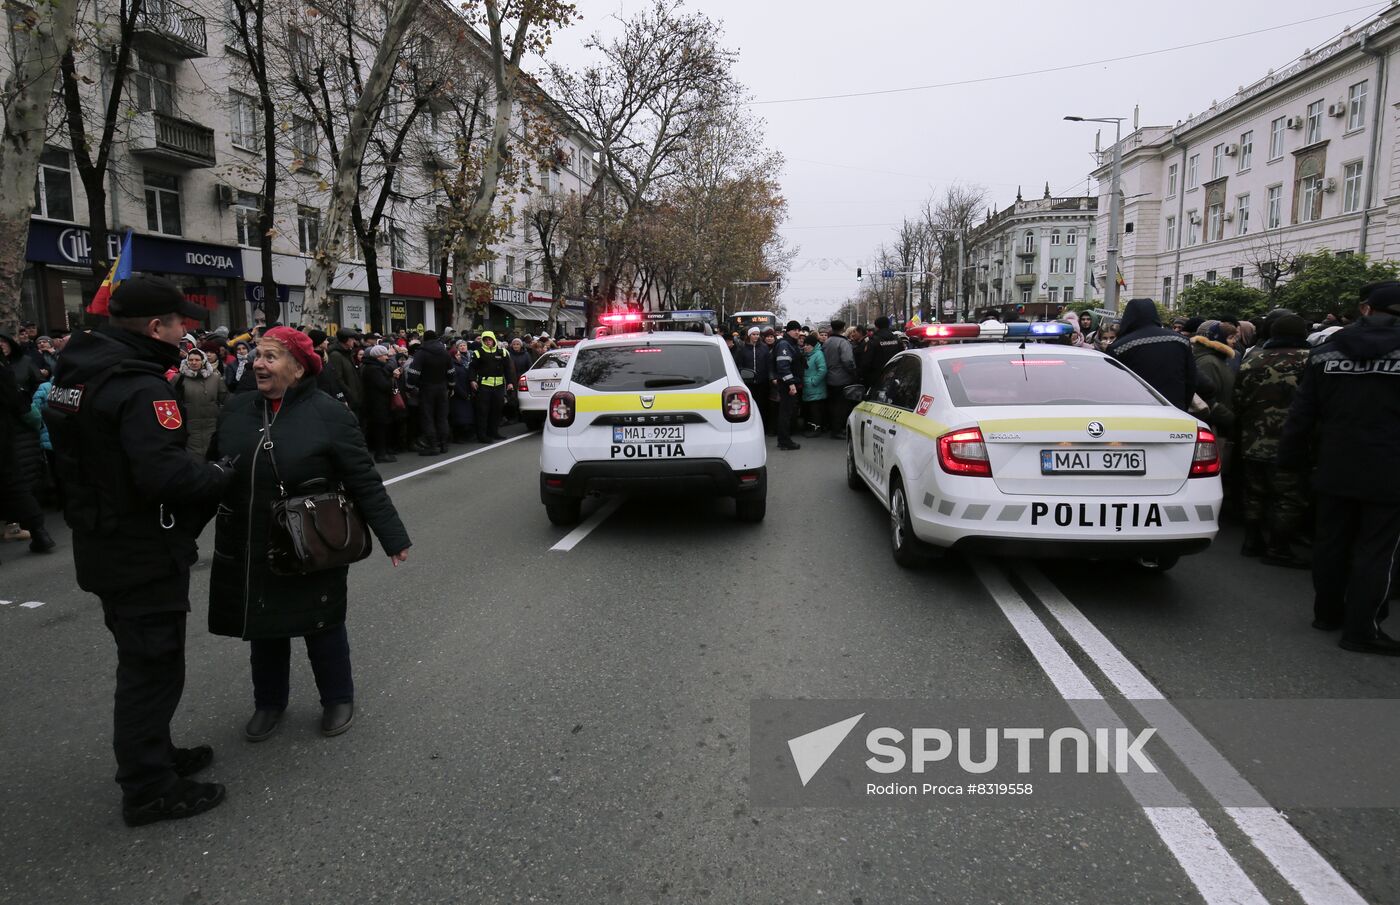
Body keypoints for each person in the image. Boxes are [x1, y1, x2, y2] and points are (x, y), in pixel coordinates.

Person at [43, 275, 235, 826]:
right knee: (152, 666)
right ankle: (149, 788)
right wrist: (220, 473)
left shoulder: (79, 370)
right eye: (178, 324)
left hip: (102, 537)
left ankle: (157, 752)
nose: (183, 333)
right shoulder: (140, 386)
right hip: (140, 546)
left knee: (145, 658)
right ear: (156, 327)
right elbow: (166, 475)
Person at [206, 327, 411, 740]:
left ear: (298, 368)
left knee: (322, 623)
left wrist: (392, 536)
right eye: (257, 356)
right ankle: (269, 703)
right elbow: (211, 473)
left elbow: (363, 478)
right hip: (251, 539)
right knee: (264, 628)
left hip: (313, 539)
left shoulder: (328, 412)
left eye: (270, 357)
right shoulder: (237, 408)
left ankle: (337, 697)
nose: (258, 364)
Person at [1279, 282, 1400, 654]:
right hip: (1389, 469)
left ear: (1366, 310)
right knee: (1376, 551)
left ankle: (1327, 613)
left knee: (1331, 542)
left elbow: (1301, 414)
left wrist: (1290, 462)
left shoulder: (1325, 352)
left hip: (1333, 463)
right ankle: (1362, 628)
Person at [1234, 314, 1311, 568]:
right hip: (1292, 442)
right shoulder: (1308, 360)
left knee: (1254, 493)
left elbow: (1237, 399)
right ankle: (1279, 547)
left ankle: (1252, 540)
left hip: (1253, 438)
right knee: (1288, 496)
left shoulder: (1253, 359)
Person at [0, 332, 56, 558]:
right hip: (7, 432)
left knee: (14, 484)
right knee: (14, 484)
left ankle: (37, 531)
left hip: (9, 432)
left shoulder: (16, 366)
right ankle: (39, 531)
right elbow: (18, 402)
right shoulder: (4, 371)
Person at [1105, 298, 1197, 411]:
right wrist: (1182, 406)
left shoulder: (1119, 347)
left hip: (1136, 412)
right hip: (1175, 411)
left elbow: (1112, 387)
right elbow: (1191, 379)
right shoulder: (1181, 341)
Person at [172, 348, 228, 460]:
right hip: (189, 426)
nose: (194, 362)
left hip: (211, 424)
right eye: (191, 359)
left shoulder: (215, 378)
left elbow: (225, 399)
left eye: (197, 360)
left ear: (203, 361)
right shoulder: (178, 379)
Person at [406, 329, 452, 455]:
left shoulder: (421, 353)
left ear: (424, 339)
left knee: (428, 418)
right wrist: (451, 387)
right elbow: (451, 371)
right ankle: (443, 444)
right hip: (442, 388)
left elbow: (414, 373)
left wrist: (409, 387)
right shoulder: (444, 352)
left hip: (427, 388)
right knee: (442, 417)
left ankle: (433, 445)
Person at [1191, 320, 1238, 435]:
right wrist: (1230, 418)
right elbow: (1208, 399)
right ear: (1218, 339)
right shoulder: (1209, 362)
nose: (1234, 342)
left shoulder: (1217, 359)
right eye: (1231, 337)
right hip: (1214, 427)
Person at [360, 344, 400, 463]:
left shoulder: (371, 367)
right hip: (377, 403)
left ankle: (383, 451)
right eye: (385, 355)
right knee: (380, 428)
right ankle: (381, 454)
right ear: (378, 357)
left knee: (381, 428)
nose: (387, 357)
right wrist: (393, 378)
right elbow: (384, 385)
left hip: (376, 402)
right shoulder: (373, 369)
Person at [471, 330, 512, 442]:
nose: (488, 342)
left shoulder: (502, 353)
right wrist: (472, 380)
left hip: (498, 386)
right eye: (486, 340)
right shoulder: (478, 353)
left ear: (494, 340)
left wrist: (510, 382)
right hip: (484, 386)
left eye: (490, 339)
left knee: (497, 410)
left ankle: (494, 432)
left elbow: (508, 369)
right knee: (483, 411)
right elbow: (472, 368)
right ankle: (482, 435)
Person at [823, 319, 857, 440]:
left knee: (832, 404)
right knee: (841, 406)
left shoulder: (827, 342)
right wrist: (853, 372)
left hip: (829, 377)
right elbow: (847, 360)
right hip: (842, 378)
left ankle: (832, 428)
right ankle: (837, 430)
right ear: (843, 328)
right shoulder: (843, 343)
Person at [772, 321, 804, 451]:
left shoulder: (790, 343)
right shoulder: (785, 344)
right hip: (787, 384)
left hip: (789, 383)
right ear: (788, 331)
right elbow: (783, 366)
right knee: (786, 414)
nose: (797, 332)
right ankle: (784, 441)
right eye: (794, 330)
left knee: (787, 413)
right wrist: (791, 384)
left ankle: (784, 440)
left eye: (798, 330)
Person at [327, 330, 363, 421]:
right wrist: (349, 394)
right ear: (346, 341)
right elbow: (337, 378)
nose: (354, 341)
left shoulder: (347, 353)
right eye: (352, 339)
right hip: (348, 400)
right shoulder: (336, 355)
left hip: (355, 398)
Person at [860, 316, 900, 387]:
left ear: (876, 326)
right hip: (894, 376)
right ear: (888, 325)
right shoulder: (897, 340)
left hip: (876, 379)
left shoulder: (873, 341)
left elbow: (866, 362)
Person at [801, 333, 828, 437]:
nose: (805, 347)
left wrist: (813, 381)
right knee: (810, 409)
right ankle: (811, 427)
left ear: (813, 345)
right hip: (808, 388)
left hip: (815, 388)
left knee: (815, 410)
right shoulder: (808, 355)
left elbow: (823, 370)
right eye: (805, 344)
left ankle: (816, 429)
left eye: (808, 345)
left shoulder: (818, 355)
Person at [449, 340, 476, 442]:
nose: (459, 356)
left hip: (465, 394)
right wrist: (464, 394)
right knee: (459, 418)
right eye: (457, 355)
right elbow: (455, 383)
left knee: (464, 417)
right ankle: (458, 437)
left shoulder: (460, 365)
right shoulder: (454, 367)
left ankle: (464, 436)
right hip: (459, 396)